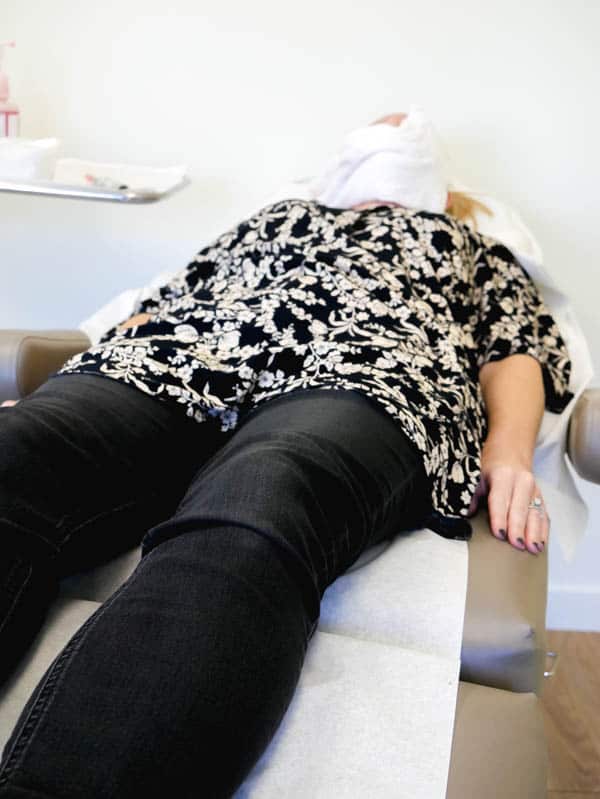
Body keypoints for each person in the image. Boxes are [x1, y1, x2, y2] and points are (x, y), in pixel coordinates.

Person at [0, 109, 573, 798]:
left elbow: (515, 351)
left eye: (407, 125)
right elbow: (162, 302)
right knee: (19, 453)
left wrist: (508, 453)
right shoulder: (275, 219)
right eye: (380, 122)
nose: (396, 123)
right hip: (182, 359)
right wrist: (85, 374)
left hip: (368, 375)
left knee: (260, 506)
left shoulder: (469, 246)